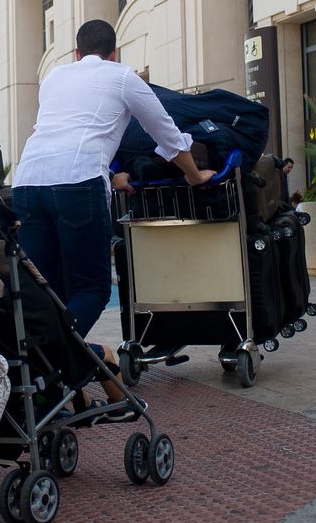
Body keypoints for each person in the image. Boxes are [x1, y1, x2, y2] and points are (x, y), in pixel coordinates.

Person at [11, 19, 213, 345]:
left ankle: (40, 363)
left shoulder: (53, 78)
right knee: (92, 288)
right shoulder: (122, 76)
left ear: (76, 53)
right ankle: (55, 359)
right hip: (78, 183)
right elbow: (167, 134)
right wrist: (194, 175)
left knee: (44, 287)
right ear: (114, 53)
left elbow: (64, 135)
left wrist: (109, 175)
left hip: (27, 183)